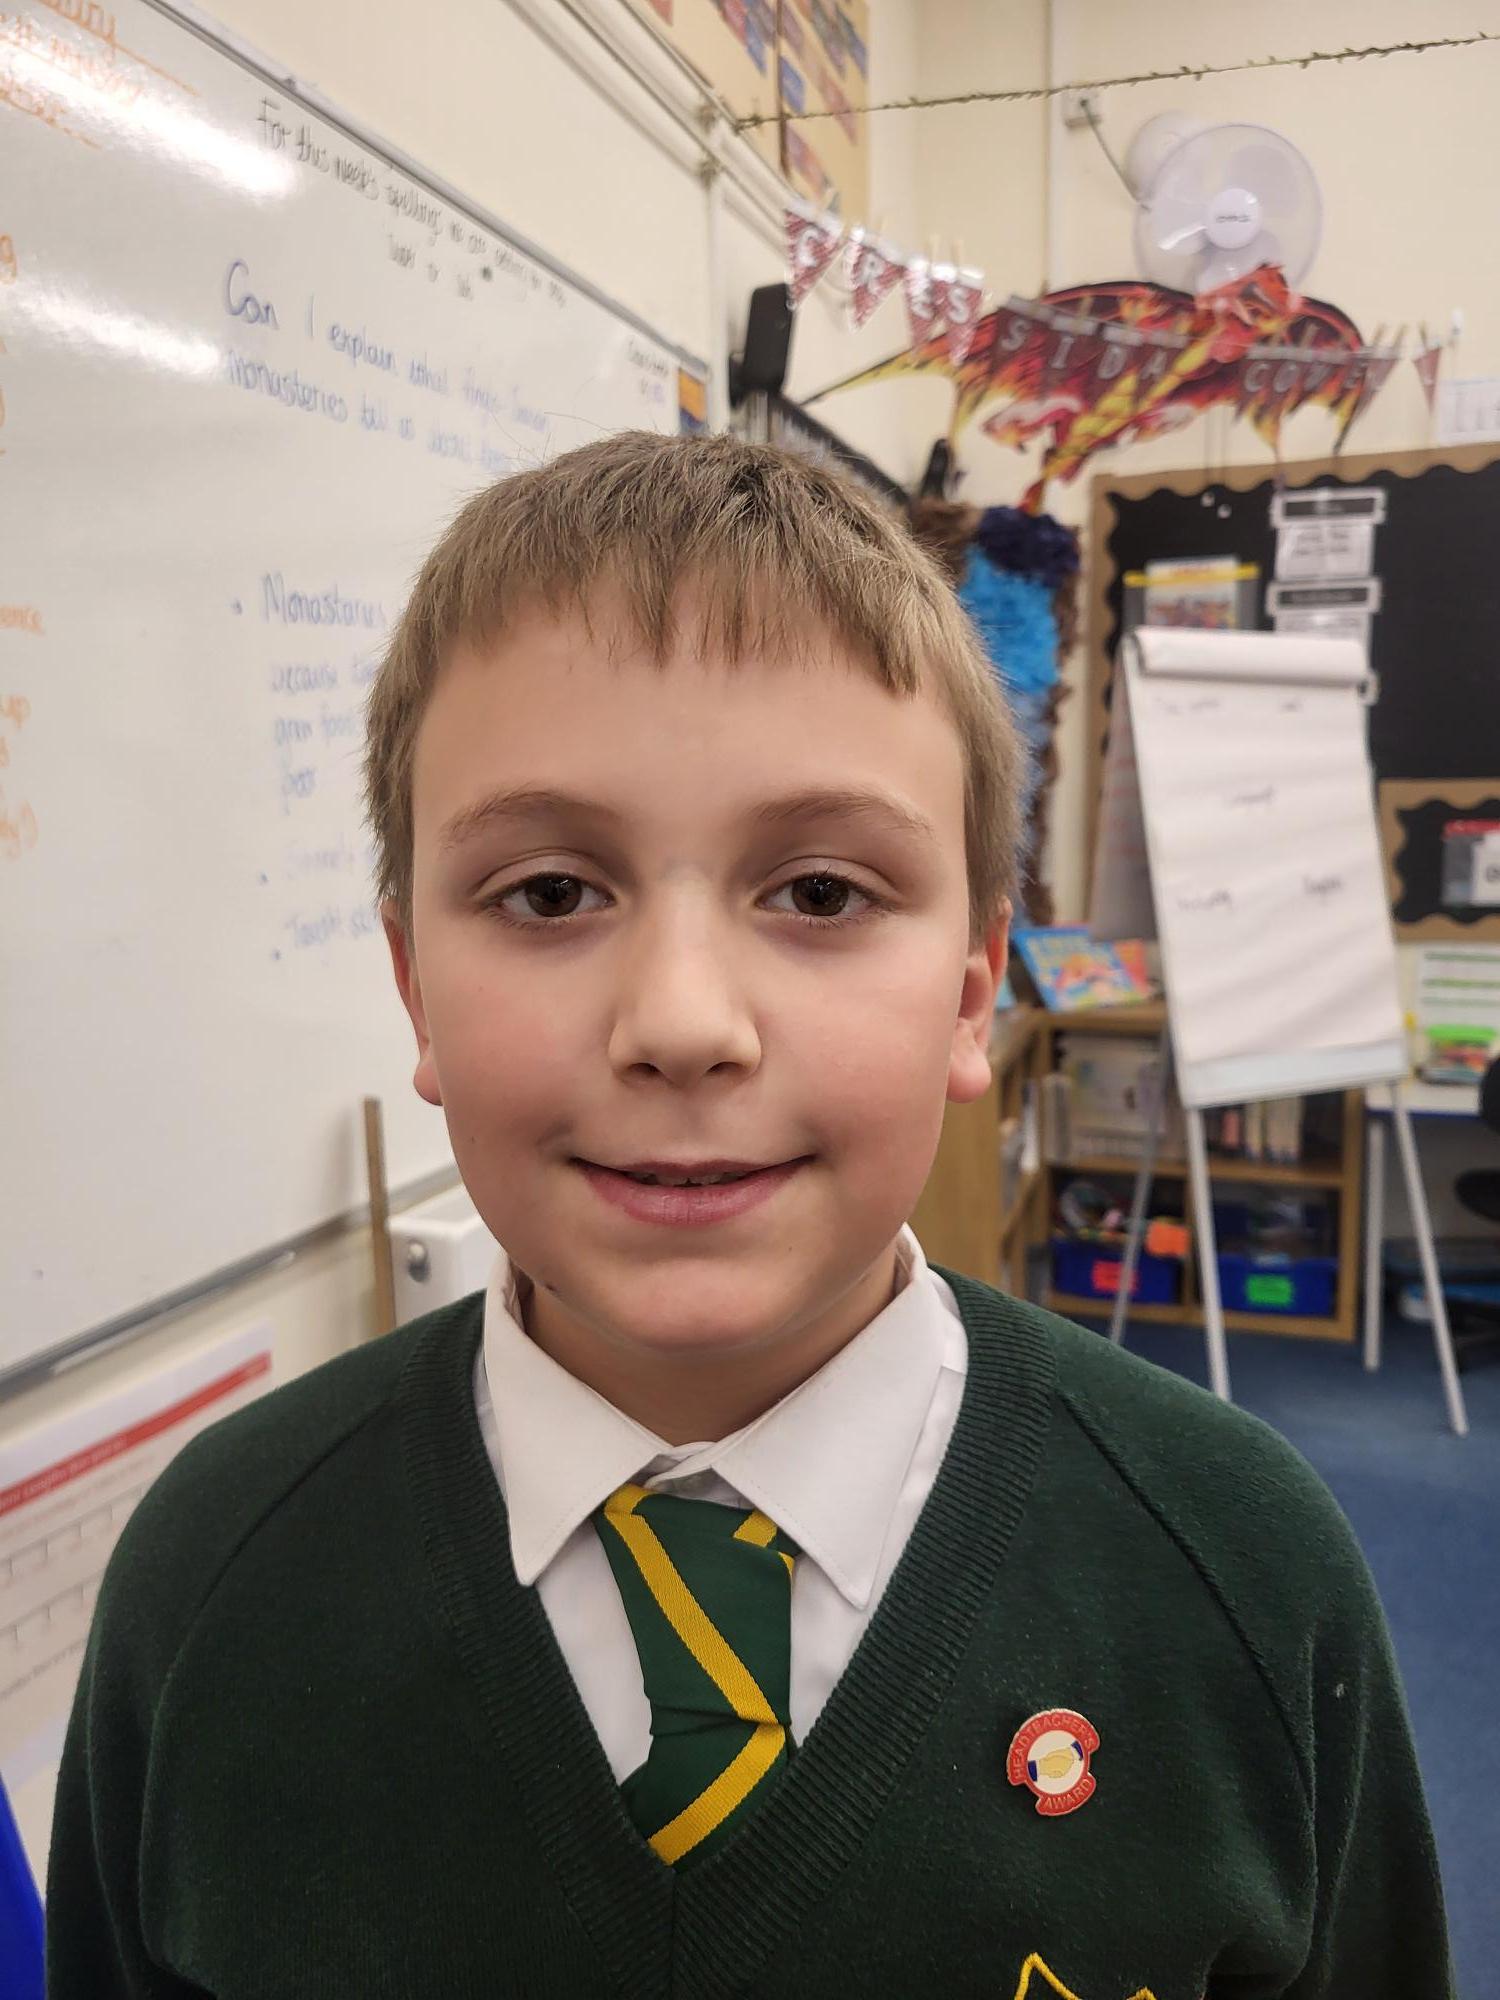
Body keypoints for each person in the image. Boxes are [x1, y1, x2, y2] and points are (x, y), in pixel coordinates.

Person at [45, 431, 1452, 1997]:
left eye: (823, 893)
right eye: (551, 894)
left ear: (972, 991)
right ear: (414, 988)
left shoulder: (1242, 1569)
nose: (683, 1023)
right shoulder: (214, 1580)